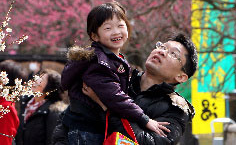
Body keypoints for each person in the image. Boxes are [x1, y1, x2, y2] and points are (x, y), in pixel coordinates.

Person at [53, 33, 197, 145]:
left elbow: (148, 143)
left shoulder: (176, 109)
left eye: (173, 54)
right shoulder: (117, 78)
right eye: (162, 47)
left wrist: (106, 106)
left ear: (181, 77)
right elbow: (69, 118)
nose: (162, 52)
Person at [60, 1, 168, 144]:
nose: (116, 32)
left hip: (92, 126)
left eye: (120, 25)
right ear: (94, 36)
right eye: (108, 28)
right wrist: (144, 119)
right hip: (87, 129)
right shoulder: (98, 62)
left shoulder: (113, 59)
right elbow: (114, 96)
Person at [16, 69, 67, 145]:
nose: (36, 80)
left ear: (49, 88)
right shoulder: (24, 103)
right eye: (38, 77)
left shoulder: (53, 111)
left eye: (41, 79)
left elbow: (51, 141)